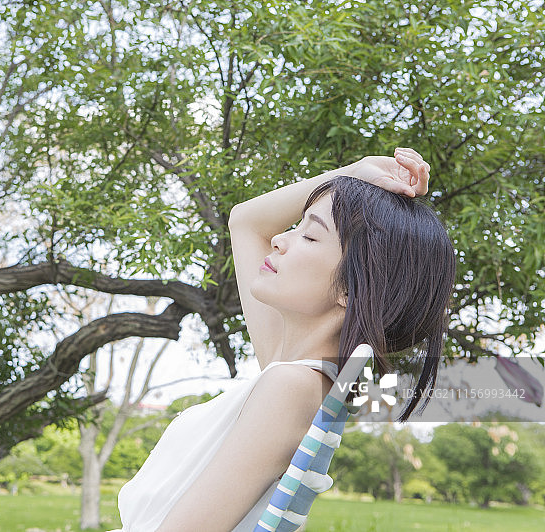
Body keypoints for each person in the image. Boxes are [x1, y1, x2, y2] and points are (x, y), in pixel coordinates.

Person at [112, 147, 456, 532]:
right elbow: (244, 221)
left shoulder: (291, 386)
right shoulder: (287, 369)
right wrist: (355, 173)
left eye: (309, 235)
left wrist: (349, 179)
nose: (279, 239)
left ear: (350, 289)